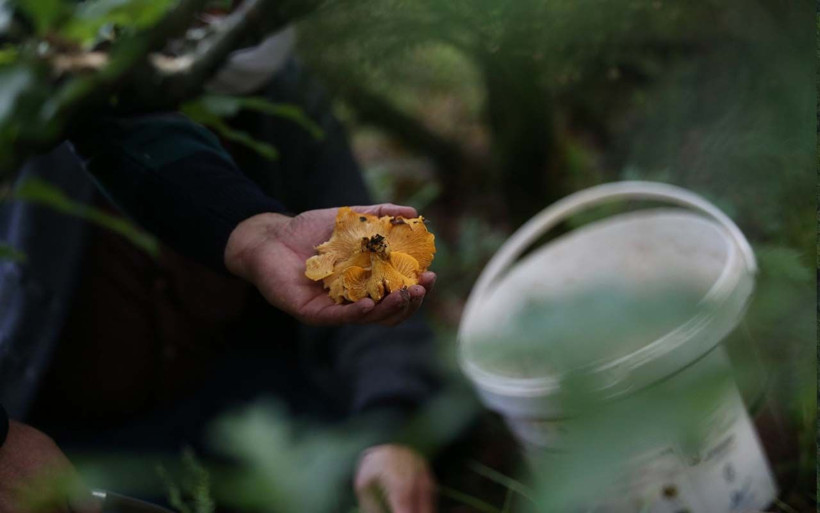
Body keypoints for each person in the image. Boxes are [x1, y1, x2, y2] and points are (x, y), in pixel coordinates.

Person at [0, 27, 440, 513]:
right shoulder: (36, 100)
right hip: (73, 435)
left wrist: (390, 426)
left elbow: (373, 288)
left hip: (235, 405)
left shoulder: (283, 98)